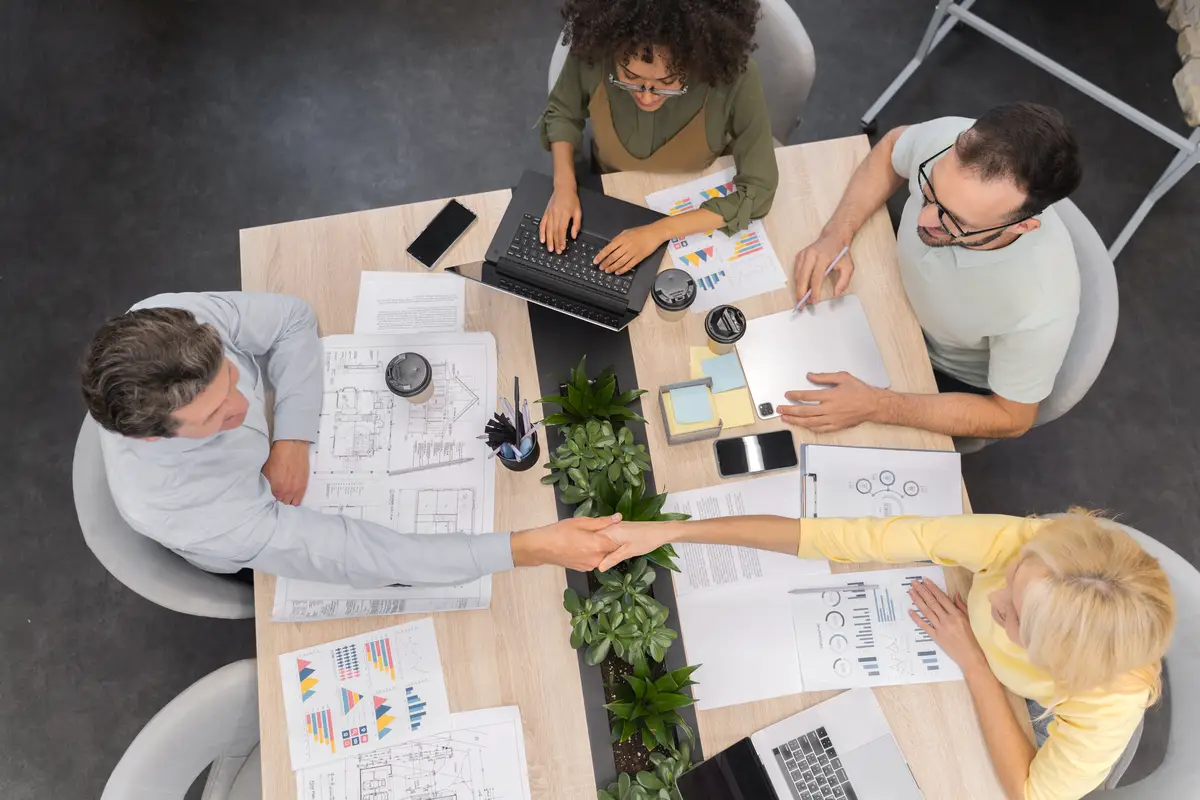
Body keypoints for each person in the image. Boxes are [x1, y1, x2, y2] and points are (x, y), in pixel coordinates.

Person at [598, 510, 1175, 800]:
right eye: (1013, 580)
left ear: (1055, 661)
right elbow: (849, 536)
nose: (993, 592)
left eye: (1011, 615)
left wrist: (975, 662)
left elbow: (1031, 791)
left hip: (1046, 741)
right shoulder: (1021, 544)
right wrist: (672, 531)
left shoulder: (1105, 701)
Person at [80, 292, 621, 587]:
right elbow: (366, 555)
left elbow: (291, 319)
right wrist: (530, 547)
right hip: (250, 537)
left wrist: (291, 435)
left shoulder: (170, 322)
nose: (244, 406)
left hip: (285, 467)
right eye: (218, 416)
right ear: (155, 440)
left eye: (231, 378)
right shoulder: (194, 508)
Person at [783, 103, 1083, 439]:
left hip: (938, 371)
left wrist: (879, 405)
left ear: (1024, 226)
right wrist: (836, 233)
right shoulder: (946, 140)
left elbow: (1012, 417)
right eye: (929, 192)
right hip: (893, 297)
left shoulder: (1040, 305)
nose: (922, 220)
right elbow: (893, 147)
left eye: (955, 220)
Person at [538, 0, 777, 274]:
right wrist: (564, 185)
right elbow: (562, 112)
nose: (646, 97)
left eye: (667, 84)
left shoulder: (735, 77)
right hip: (612, 186)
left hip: (696, 192)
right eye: (629, 76)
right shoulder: (594, 51)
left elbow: (759, 191)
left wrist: (659, 231)